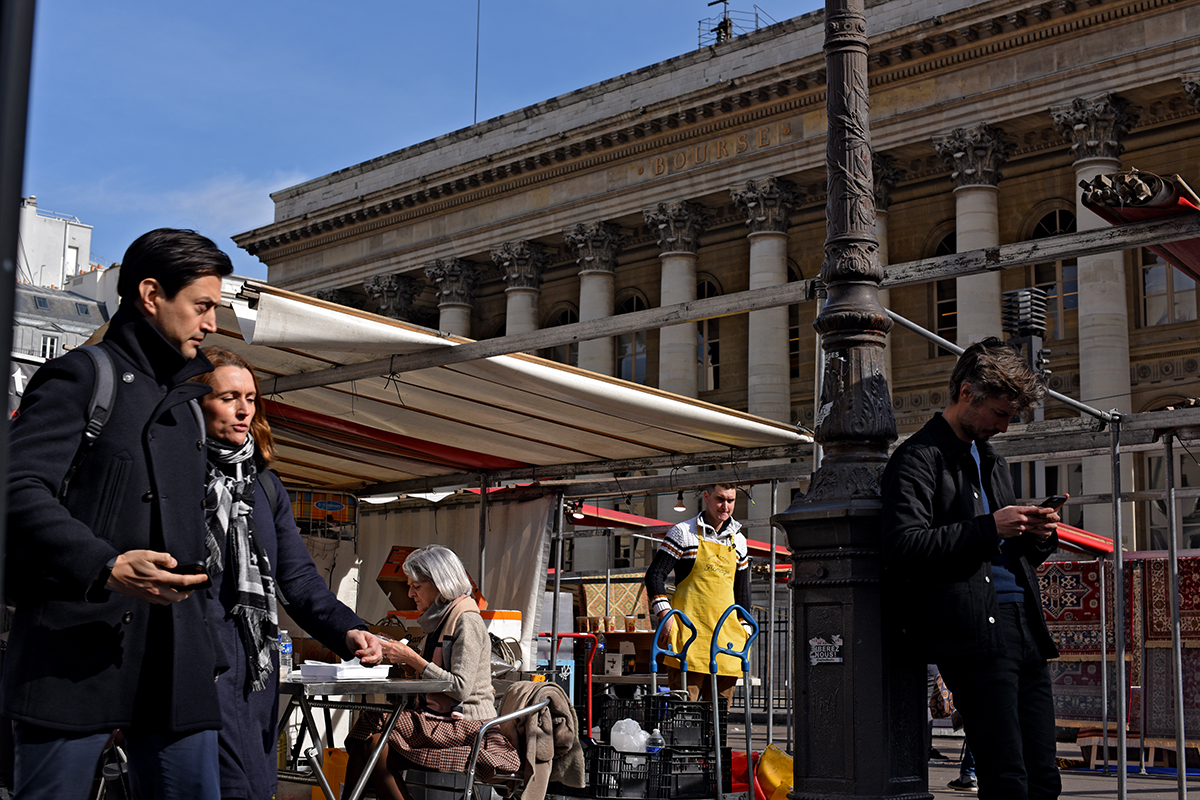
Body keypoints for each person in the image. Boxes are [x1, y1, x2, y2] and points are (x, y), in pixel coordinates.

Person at [4, 229, 232, 799]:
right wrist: (105, 564)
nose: (210, 325)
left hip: (177, 663)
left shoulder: (190, 409)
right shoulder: (82, 374)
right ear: (151, 294)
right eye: (202, 307)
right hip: (73, 655)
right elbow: (16, 486)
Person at [191, 346, 382, 799]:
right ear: (195, 403)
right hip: (190, 662)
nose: (243, 410)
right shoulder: (175, 473)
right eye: (229, 397)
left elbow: (297, 579)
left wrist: (348, 630)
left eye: (251, 398)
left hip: (252, 670)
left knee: (253, 788)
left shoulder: (265, 484)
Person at [881, 337, 1062, 800]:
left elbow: (1008, 547)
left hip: (1024, 625)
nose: (1003, 426)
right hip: (973, 631)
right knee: (1007, 778)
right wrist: (988, 528)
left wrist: (1038, 534)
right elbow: (904, 546)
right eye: (999, 414)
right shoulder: (918, 458)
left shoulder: (993, 459)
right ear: (966, 394)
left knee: (1044, 775)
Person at [342, 545, 518, 800]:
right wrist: (403, 662)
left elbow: (460, 687)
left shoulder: (466, 620)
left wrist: (413, 659)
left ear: (441, 584)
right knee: (371, 744)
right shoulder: (441, 619)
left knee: (372, 730)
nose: (410, 593)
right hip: (438, 717)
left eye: (417, 586)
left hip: (465, 724)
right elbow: (434, 676)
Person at [644, 483, 750, 701]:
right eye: (720, 499)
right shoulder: (684, 532)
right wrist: (665, 616)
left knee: (718, 718)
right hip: (688, 638)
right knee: (683, 713)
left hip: (726, 642)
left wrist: (745, 629)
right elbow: (654, 575)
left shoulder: (739, 541)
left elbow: (743, 592)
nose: (725, 506)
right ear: (706, 497)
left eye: (730, 501)